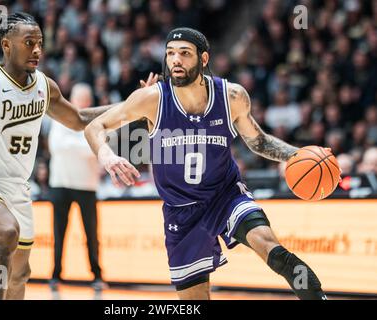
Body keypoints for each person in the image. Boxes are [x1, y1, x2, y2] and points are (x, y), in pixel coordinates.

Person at [85, 27, 328, 300]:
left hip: (225, 195)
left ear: (203, 59)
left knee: (271, 247)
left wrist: (298, 156)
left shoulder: (231, 96)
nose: (175, 60)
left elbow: (258, 141)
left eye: (184, 53)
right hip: (181, 211)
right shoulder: (151, 99)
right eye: (170, 54)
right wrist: (107, 156)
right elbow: (95, 126)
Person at [0, 12, 156, 300]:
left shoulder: (44, 87)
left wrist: (133, 105)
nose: (37, 49)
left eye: (40, 43)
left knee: (20, 273)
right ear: (7, 45)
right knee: (6, 233)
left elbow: (79, 118)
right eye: (29, 42)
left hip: (17, 189)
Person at [48, 83, 105, 290]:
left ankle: (97, 276)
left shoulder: (96, 120)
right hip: (60, 183)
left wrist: (80, 147)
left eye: (85, 99)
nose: (82, 102)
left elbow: (97, 149)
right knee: (59, 233)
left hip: (87, 185)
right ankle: (55, 275)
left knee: (91, 234)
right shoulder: (60, 118)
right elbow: (57, 146)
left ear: (90, 101)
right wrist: (85, 146)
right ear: (71, 99)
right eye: (78, 98)